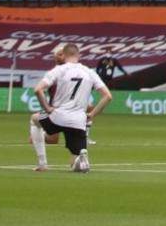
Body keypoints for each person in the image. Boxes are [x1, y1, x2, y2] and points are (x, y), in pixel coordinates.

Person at [29, 43, 113, 172]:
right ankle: (80, 158)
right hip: (78, 121)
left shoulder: (59, 70)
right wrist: (92, 115)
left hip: (58, 117)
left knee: (34, 120)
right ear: (79, 55)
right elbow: (107, 96)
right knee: (75, 163)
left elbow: (38, 90)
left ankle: (42, 163)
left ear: (64, 55)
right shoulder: (89, 72)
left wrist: (46, 108)